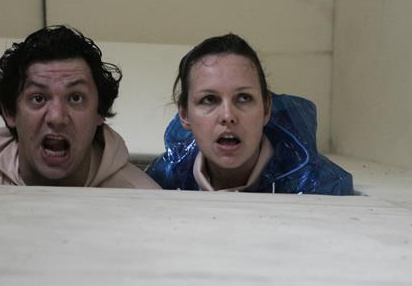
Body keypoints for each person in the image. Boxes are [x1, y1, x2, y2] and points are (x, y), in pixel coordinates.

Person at [0, 25, 160, 189]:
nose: (57, 117)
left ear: (99, 112)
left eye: (75, 98)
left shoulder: (144, 200)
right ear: (10, 112)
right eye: (38, 98)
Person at [145, 33, 353, 194]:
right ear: (184, 115)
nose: (227, 116)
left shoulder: (320, 187)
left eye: (244, 98)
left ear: (266, 109)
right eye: (209, 99)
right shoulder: (163, 181)